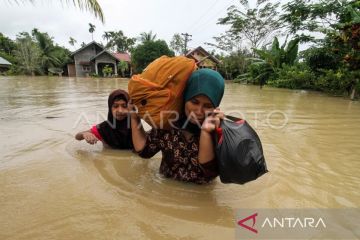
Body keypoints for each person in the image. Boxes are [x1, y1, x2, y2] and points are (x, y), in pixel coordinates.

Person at [129, 68, 225, 184]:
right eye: (194, 102)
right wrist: (134, 117)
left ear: (216, 105)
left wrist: (205, 132)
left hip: (200, 196)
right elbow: (144, 151)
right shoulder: (168, 123)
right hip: (166, 190)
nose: (199, 111)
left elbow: (209, 172)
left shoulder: (219, 129)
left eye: (208, 105)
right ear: (185, 97)